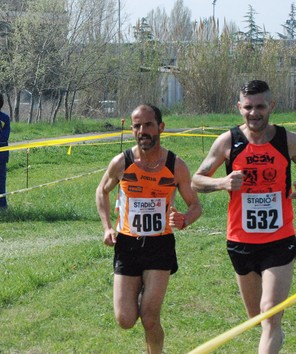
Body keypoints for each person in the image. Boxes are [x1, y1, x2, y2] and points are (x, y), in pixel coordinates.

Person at [191, 80, 296, 354]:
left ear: (271, 106)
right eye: (248, 107)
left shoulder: (287, 140)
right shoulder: (228, 142)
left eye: (260, 106)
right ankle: (274, 336)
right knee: (257, 319)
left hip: (279, 239)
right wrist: (222, 183)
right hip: (241, 241)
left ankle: (272, 334)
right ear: (239, 108)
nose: (254, 113)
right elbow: (196, 180)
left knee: (269, 312)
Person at [96, 104, 202, 354]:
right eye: (137, 126)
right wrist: (107, 227)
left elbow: (196, 205)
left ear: (160, 127)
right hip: (127, 245)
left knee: (150, 318)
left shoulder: (176, 165)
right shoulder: (122, 162)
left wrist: (185, 219)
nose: (142, 131)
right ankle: (143, 292)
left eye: (148, 125)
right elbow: (102, 190)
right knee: (125, 320)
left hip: (159, 245)